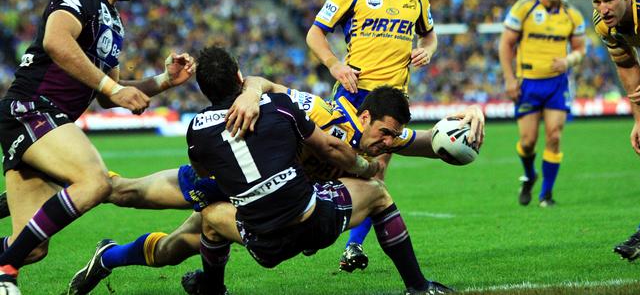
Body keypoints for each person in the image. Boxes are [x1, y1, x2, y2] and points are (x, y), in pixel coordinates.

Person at [67, 72, 483, 294]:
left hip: (266, 204)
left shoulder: (376, 141)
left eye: (393, 138)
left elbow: (431, 143)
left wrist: (468, 118)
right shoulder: (322, 112)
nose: (387, 145)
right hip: (222, 182)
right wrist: (250, 94)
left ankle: (107, 258)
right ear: (365, 118)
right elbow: (264, 83)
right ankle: (59, 184)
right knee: (126, 191)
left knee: (174, 250)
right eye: (385, 134)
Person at [0, 0, 195, 293]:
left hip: (42, 123)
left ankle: (8, 258)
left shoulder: (113, 21)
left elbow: (109, 94)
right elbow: (56, 41)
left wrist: (165, 80)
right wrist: (113, 89)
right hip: (31, 109)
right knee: (95, 181)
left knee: (32, 246)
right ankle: (5, 270)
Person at [184, 45, 453, 295]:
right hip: (313, 220)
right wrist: (368, 168)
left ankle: (212, 287)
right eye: (385, 134)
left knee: (207, 219)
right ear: (239, 76)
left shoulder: (196, 129)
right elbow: (331, 148)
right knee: (378, 194)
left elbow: (205, 173)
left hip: (262, 242)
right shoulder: (289, 107)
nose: (387, 143)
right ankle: (418, 287)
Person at [306, 0, 438, 271]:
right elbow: (315, 33)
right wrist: (335, 64)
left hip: (393, 104)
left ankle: (352, 247)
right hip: (355, 97)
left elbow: (430, 35)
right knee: (334, 165)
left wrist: (427, 51)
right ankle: (308, 221)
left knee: (375, 176)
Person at [498, 0, 586, 208]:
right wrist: (509, 78)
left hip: (557, 85)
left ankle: (546, 195)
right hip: (528, 83)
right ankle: (530, 175)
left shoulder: (572, 16)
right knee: (527, 141)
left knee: (555, 136)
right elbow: (506, 45)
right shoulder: (525, 7)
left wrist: (568, 60)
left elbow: (581, 49)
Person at [589, 0, 640, 261]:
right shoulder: (603, 23)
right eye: (597, 2)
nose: (604, 8)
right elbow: (626, 64)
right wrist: (639, 119)